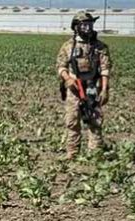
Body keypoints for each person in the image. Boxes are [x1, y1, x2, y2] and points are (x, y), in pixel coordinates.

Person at [56, 12, 112, 160]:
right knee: (72, 121)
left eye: (90, 24)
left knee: (95, 121)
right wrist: (67, 79)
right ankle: (72, 153)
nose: (88, 28)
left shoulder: (100, 47)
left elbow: (105, 70)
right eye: (84, 25)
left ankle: (95, 154)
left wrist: (104, 90)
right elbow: (61, 66)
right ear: (76, 27)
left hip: (92, 87)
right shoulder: (68, 46)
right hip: (74, 89)